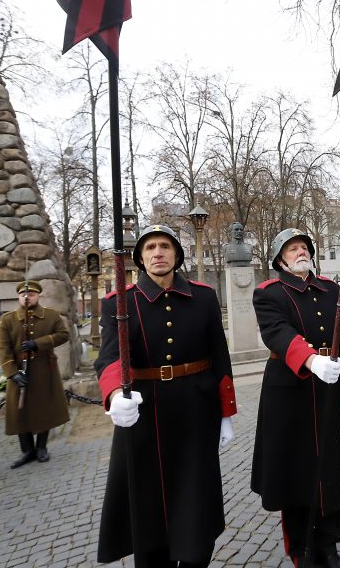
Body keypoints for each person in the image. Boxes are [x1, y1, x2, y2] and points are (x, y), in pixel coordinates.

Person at [95, 224, 237, 568]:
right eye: (150, 248)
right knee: (149, 506)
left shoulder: (203, 296)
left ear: (176, 254)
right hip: (145, 415)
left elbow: (219, 355)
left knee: (195, 500)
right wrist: (115, 395)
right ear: (140, 259)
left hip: (196, 412)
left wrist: (226, 413)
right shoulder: (121, 302)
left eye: (165, 246)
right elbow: (109, 357)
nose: (157, 253)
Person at [252, 228, 340, 568]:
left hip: (324, 388)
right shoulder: (269, 293)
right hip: (289, 390)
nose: (300, 252)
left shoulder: (329, 289)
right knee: (294, 470)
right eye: (292, 249)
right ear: (280, 258)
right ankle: (301, 548)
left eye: (304, 247)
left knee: (327, 468)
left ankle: (329, 542)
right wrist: (311, 359)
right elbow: (278, 332)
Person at [0, 280, 70, 469]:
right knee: (21, 411)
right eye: (23, 295)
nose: (27, 297)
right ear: (18, 297)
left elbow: (63, 335)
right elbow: (3, 348)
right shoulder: (7, 320)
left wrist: (39, 343)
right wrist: (12, 374)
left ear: (38, 296)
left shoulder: (51, 316)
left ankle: (42, 447)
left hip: (44, 370)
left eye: (31, 295)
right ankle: (27, 451)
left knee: (44, 408)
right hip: (19, 371)